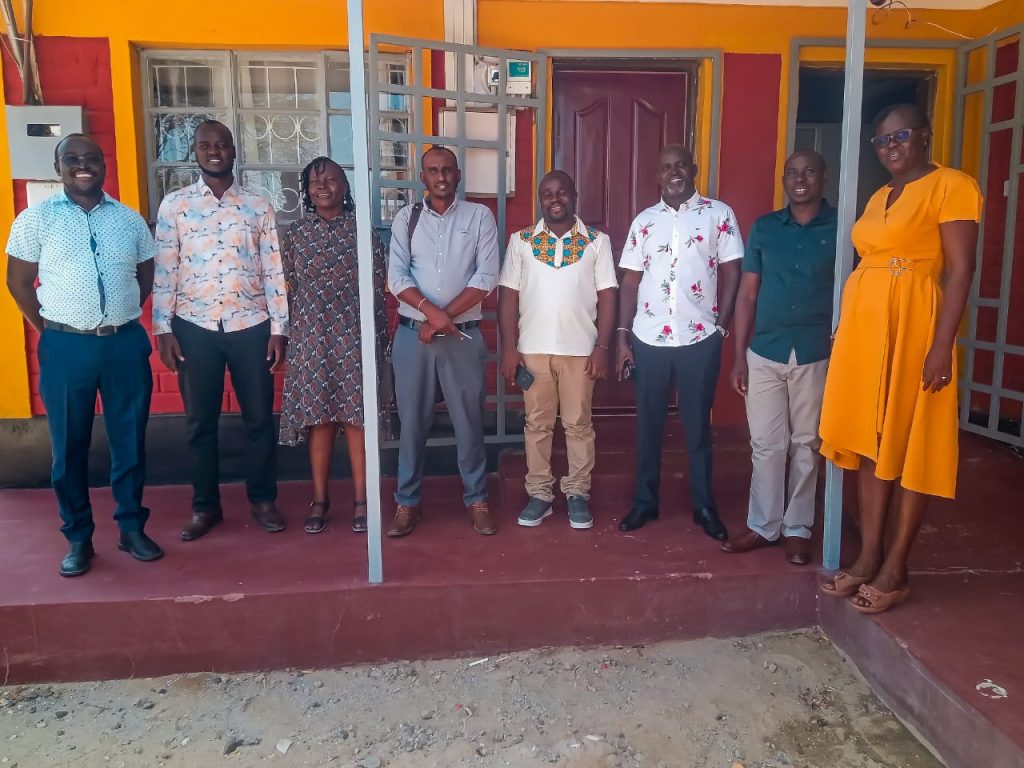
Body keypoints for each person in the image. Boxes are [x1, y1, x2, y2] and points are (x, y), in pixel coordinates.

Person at [818, 103, 982, 613]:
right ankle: (869, 555)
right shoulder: (879, 196)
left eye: (901, 135)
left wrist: (941, 345)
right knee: (870, 441)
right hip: (866, 333)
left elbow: (961, 270)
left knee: (912, 441)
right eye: (882, 140)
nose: (891, 146)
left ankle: (896, 568)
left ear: (925, 136)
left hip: (915, 326)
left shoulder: (952, 185)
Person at [5, 133, 162, 576]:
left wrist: (116, 316)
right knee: (69, 445)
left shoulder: (129, 221)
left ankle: (131, 528)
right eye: (71, 158)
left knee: (129, 441)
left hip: (123, 343)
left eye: (91, 157)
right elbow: (18, 281)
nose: (83, 165)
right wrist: (51, 329)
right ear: (58, 168)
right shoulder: (35, 220)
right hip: (65, 345)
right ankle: (78, 537)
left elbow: (144, 277)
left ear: (103, 164)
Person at [152, 120, 289, 541]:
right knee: (200, 423)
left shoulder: (257, 205)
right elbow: (166, 269)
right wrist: (163, 328)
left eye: (222, 144)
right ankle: (205, 506)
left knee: (259, 419)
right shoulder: (175, 205)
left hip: (251, 325)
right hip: (194, 327)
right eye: (205, 145)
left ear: (233, 150)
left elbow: (273, 268)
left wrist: (279, 328)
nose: (214, 151)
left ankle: (262, 500)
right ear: (194, 151)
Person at [615, 144, 743, 540]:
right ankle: (645, 502)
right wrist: (622, 336)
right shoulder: (644, 221)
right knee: (648, 425)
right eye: (667, 167)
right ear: (657, 176)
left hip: (699, 338)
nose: (674, 172)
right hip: (648, 338)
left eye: (681, 165)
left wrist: (721, 328)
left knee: (698, 428)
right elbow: (630, 282)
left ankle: (704, 506)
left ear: (694, 169)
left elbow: (733, 272)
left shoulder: (719, 214)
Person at [722, 151, 836, 566]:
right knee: (766, 444)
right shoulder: (765, 228)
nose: (800, 179)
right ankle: (763, 524)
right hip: (765, 350)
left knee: (807, 443)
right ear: (784, 179)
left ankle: (798, 528)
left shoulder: (843, 228)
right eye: (792, 173)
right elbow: (747, 294)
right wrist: (739, 356)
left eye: (809, 171)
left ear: (823, 177)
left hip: (815, 351)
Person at [386, 146, 499, 537]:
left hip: (461, 336)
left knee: (468, 422)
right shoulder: (407, 218)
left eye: (447, 170)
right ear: (422, 177)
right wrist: (431, 315)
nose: (441, 177)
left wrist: (441, 319)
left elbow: (486, 278)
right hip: (412, 336)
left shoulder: (479, 216)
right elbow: (397, 277)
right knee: (412, 423)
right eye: (433, 170)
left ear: (458, 175)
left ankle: (477, 499)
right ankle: (407, 502)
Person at [498, 171, 618, 529]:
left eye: (561, 192)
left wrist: (603, 347)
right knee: (537, 424)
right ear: (540, 199)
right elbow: (508, 297)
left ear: (574, 196)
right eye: (547, 193)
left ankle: (578, 492)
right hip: (533, 350)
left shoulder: (597, 242)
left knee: (578, 424)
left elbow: (608, 296)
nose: (555, 199)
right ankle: (540, 494)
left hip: (580, 350)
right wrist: (509, 348)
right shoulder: (521, 241)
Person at [278, 156, 387, 534]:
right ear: (306, 190)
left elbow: (377, 287)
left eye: (331, 180)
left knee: (356, 421)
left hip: (354, 339)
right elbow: (286, 289)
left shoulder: (362, 231)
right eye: (314, 181)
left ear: (345, 186)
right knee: (319, 421)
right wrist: (289, 336)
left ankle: (362, 500)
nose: (322, 186)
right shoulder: (295, 234)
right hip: (311, 339)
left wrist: (378, 342)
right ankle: (320, 500)